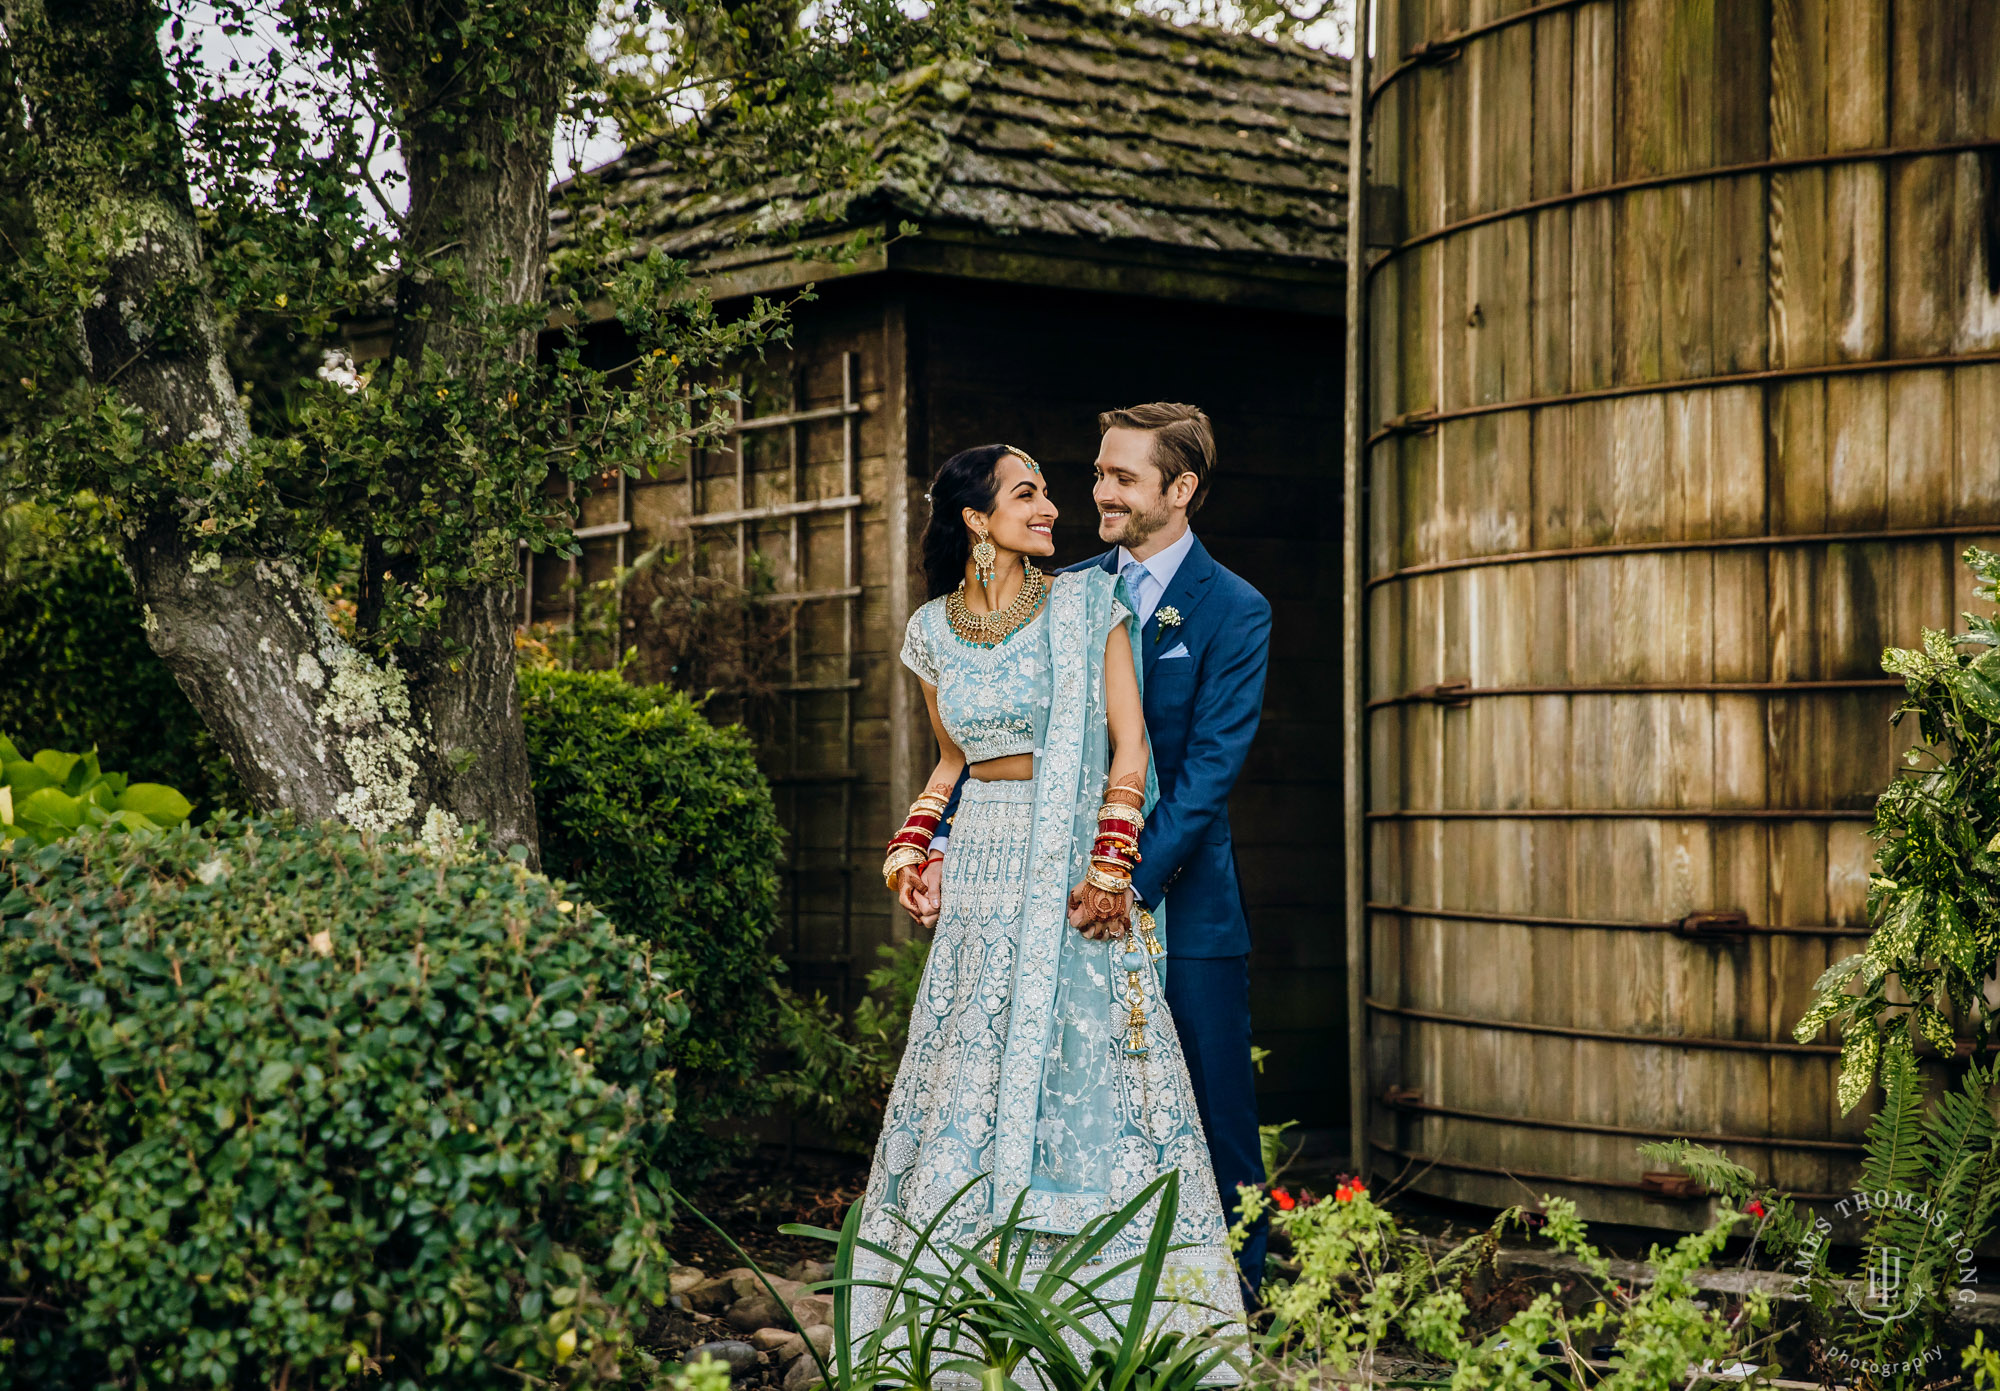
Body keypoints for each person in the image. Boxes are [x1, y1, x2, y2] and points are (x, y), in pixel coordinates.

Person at [861, 443, 1243, 1376]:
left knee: (1087, 1080)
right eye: (1026, 493)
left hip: (1072, 875)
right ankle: (962, 1326)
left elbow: (1132, 748)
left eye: (1046, 491)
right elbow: (952, 763)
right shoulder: (932, 632)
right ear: (975, 521)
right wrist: (911, 848)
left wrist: (1114, 864)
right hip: (982, 876)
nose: (1052, 506)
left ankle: (1106, 1328)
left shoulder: (1084, 607)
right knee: (969, 1076)